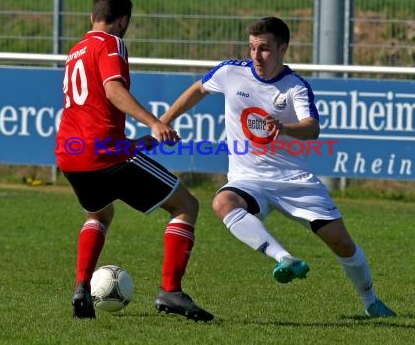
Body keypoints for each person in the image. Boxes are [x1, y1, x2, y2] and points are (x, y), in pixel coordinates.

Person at [160, 17, 396, 318]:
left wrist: (283, 127)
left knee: (342, 244)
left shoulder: (295, 86)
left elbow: (312, 128)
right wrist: (165, 120)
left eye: (265, 49)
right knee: (222, 202)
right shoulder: (231, 72)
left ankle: (371, 302)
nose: (256, 56)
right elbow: (198, 89)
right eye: (252, 48)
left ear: (283, 49)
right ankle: (284, 258)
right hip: (249, 178)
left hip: (294, 181)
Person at [55, 0, 213, 321]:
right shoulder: (111, 43)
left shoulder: (76, 50)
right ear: (123, 20)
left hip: (72, 154)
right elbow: (113, 90)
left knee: (99, 214)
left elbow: (92, 110)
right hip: (104, 154)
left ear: (92, 16)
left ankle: (82, 286)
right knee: (186, 206)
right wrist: (155, 123)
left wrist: (135, 142)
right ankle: (170, 292)